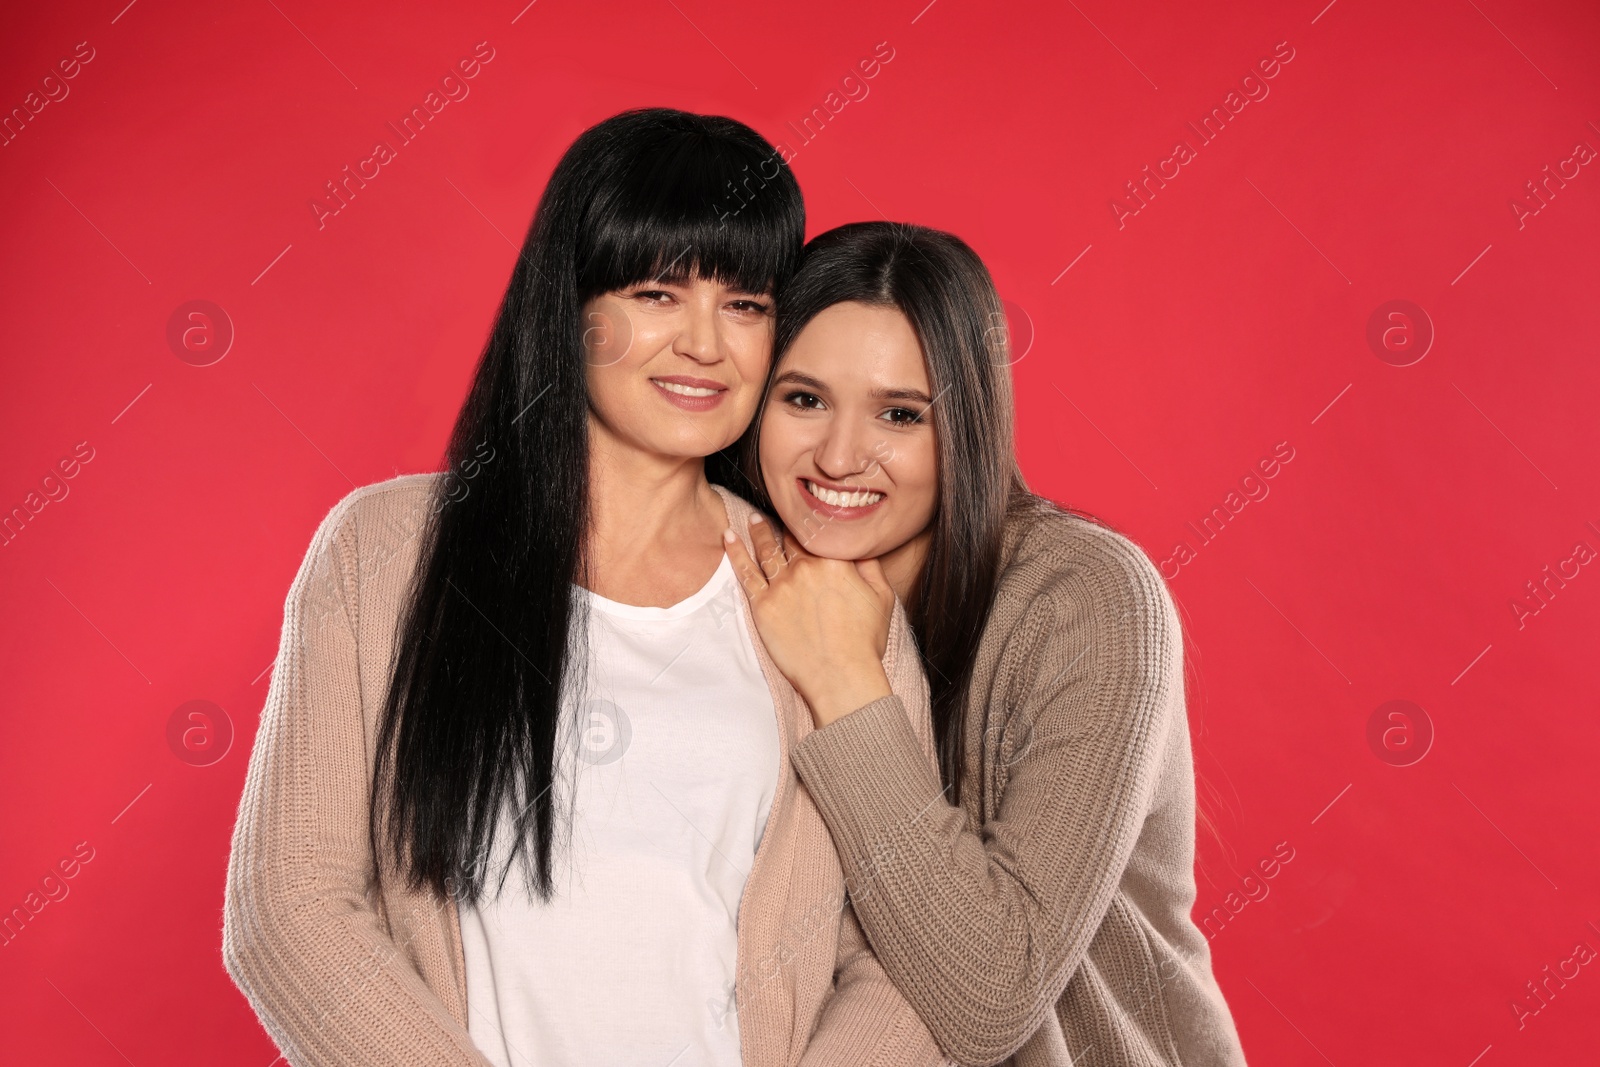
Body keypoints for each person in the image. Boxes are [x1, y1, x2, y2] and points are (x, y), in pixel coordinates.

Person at [222, 110, 949, 1067]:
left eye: (745, 304)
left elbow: (900, 957)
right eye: (656, 293)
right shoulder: (387, 551)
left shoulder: (827, 597)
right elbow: (289, 908)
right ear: (569, 305)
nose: (704, 345)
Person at [722, 221, 1249, 1066]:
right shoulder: (736, 569)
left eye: (900, 414)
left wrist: (846, 678)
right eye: (805, 398)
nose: (840, 454)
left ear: (968, 425)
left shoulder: (1090, 599)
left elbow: (991, 995)